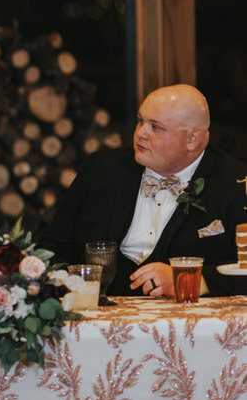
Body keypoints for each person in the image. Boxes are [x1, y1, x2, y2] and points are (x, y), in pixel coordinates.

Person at [38, 84, 247, 298]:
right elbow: (53, 247)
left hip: (189, 315)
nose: (140, 133)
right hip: (95, 310)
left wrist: (194, 279)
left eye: (156, 127)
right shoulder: (102, 169)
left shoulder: (238, 183)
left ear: (193, 139)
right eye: (140, 121)